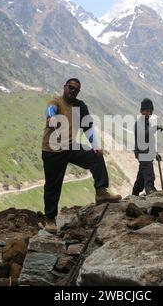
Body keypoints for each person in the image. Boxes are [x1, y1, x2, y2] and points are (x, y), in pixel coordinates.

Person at [42, 78, 121, 234]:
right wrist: (51, 118)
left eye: (76, 89)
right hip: (52, 150)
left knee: (96, 156)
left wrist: (96, 145)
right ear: (64, 87)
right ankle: (50, 220)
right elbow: (50, 110)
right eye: (70, 87)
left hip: (70, 146)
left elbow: (88, 127)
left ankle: (101, 192)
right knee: (53, 185)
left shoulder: (80, 106)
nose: (73, 91)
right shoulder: (56, 102)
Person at [132, 98, 163, 196]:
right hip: (142, 153)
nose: (148, 113)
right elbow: (143, 135)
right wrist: (154, 129)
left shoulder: (148, 123)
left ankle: (135, 192)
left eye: (150, 111)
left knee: (142, 175)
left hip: (147, 153)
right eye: (146, 111)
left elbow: (151, 141)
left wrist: (155, 153)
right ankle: (150, 190)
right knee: (149, 173)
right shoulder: (139, 124)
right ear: (141, 111)